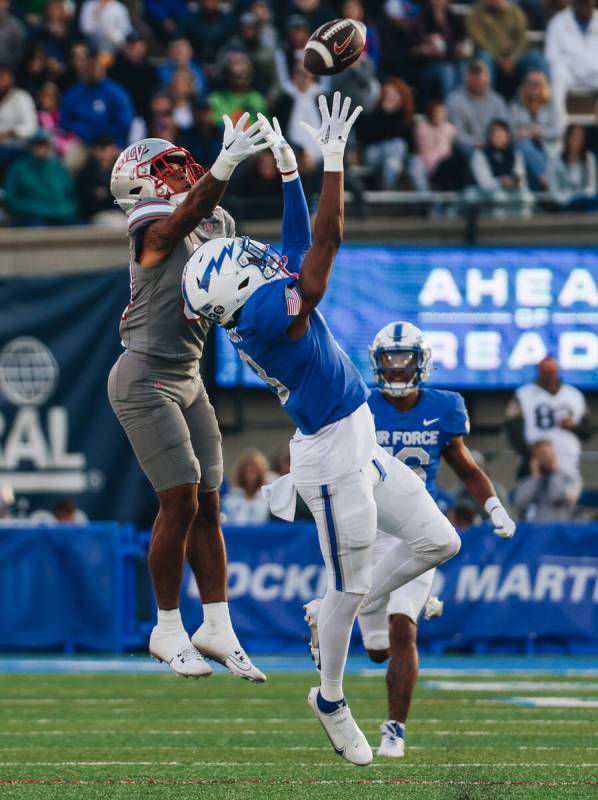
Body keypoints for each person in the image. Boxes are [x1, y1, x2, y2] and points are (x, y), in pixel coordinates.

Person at [182, 94, 462, 765]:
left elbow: (299, 245)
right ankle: (331, 698)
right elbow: (326, 247)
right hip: (333, 456)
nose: (249, 252)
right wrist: (331, 160)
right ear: (235, 288)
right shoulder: (268, 318)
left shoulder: (256, 302)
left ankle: (332, 605)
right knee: (349, 588)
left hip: (355, 430)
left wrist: (288, 174)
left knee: (438, 540)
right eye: (239, 259)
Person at [107, 117, 270, 681]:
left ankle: (217, 624)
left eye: (183, 164)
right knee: (178, 500)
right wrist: (224, 168)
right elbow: (183, 217)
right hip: (145, 374)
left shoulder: (214, 218)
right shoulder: (153, 227)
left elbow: (232, 295)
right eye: (168, 169)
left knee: (209, 501)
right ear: (141, 185)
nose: (183, 170)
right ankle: (168, 627)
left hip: (190, 374)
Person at [341, 321, 515, 758]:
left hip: (417, 531)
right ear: (378, 364)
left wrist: (493, 506)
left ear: (421, 363)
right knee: (378, 650)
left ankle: (394, 729)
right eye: (390, 360)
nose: (398, 369)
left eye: (405, 360)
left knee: (404, 629)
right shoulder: (361, 406)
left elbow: (466, 467)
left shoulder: (443, 408)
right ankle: (419, 601)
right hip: (369, 532)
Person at [504, 355, 592, 482]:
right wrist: (531, 453)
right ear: (539, 372)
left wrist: (574, 426)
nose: (549, 375)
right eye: (545, 371)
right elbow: (512, 429)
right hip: (533, 466)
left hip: (568, 464)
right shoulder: (523, 394)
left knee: (564, 497)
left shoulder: (574, 395)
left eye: (552, 371)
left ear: (558, 371)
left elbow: (588, 430)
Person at [467, 0, 545, 100]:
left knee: (535, 57)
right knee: (484, 57)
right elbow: (480, 42)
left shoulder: (515, 12)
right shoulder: (475, 13)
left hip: (513, 58)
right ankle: (487, 101)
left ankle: (544, 102)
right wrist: (499, 59)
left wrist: (512, 58)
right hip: (491, 57)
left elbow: (521, 39)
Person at [4, 128, 78, 226]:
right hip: (31, 217)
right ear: (31, 146)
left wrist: (66, 209)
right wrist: (31, 209)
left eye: (45, 145)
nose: (41, 149)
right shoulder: (19, 168)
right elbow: (10, 198)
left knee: (79, 228)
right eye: (38, 145)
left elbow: (72, 195)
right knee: (38, 229)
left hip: (61, 215)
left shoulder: (58, 167)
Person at [60, 51, 134, 148]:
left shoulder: (115, 92)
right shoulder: (74, 93)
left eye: (95, 67)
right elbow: (64, 121)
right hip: (83, 141)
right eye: (89, 68)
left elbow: (125, 121)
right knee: (71, 160)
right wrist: (84, 131)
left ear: (103, 70)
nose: (92, 71)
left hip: (112, 141)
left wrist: (104, 134)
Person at [545, 0, 598, 128]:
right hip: (569, 72)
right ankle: (560, 126)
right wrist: (570, 63)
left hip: (595, 72)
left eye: (588, 2)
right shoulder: (558, 22)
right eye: (581, 2)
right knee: (557, 74)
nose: (585, 5)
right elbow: (551, 55)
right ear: (574, 3)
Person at [355, 77, 415, 190]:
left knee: (393, 161)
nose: (390, 96)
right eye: (388, 93)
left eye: (395, 93)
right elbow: (367, 138)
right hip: (374, 154)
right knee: (397, 145)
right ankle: (389, 188)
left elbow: (410, 146)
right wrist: (384, 114)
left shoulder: (406, 120)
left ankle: (387, 188)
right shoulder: (373, 116)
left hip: (395, 161)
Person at [469, 118, 533, 217]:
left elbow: (522, 179)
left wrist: (515, 182)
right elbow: (485, 184)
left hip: (511, 191)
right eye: (495, 134)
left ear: (507, 136)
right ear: (489, 136)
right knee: (499, 197)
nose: (498, 137)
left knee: (527, 197)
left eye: (501, 135)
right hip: (483, 195)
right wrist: (501, 182)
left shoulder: (515, 154)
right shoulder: (479, 154)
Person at [509, 70, 561, 190]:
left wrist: (541, 132)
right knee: (524, 146)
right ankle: (547, 178)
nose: (534, 86)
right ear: (524, 85)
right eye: (530, 83)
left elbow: (558, 131)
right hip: (523, 150)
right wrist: (525, 132)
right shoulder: (515, 105)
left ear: (544, 85)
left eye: (538, 83)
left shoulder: (552, 105)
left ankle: (545, 178)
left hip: (548, 147)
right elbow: (509, 132)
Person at [447, 59, 508, 155]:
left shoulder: (497, 101)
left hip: (493, 146)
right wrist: (478, 144)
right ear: (466, 77)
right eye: (472, 74)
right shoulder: (454, 100)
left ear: (487, 77)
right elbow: (456, 135)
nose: (476, 78)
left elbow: (504, 129)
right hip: (468, 149)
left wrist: (491, 143)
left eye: (479, 74)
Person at [512, 439, 582, 520]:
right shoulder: (529, 481)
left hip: (563, 527)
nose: (546, 459)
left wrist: (555, 473)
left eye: (548, 454)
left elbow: (557, 497)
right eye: (540, 455)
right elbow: (520, 503)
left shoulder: (570, 478)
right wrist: (536, 477)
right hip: (535, 527)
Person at [547, 124, 598, 211]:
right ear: (567, 138)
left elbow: (591, 186)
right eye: (574, 137)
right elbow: (554, 190)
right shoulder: (555, 160)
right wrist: (569, 199)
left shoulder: (589, 158)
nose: (577, 141)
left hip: (586, 201)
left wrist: (581, 196)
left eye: (580, 138)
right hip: (565, 203)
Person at [221, 449, 271, 525]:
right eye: (247, 470)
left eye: (254, 470)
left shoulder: (268, 499)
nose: (250, 475)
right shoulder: (229, 500)